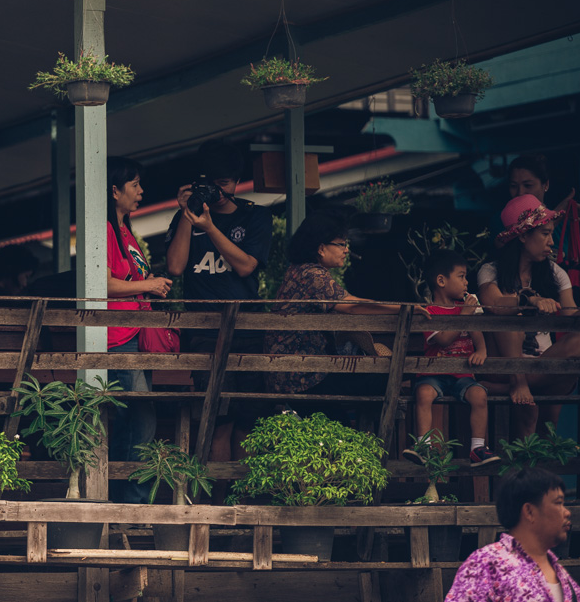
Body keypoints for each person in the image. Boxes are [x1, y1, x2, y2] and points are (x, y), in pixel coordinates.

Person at [164, 140, 271, 459]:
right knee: (216, 422)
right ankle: (217, 488)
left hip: (248, 330)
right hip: (204, 331)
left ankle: (242, 488)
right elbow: (175, 268)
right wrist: (188, 214)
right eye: (210, 184)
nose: (217, 191)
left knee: (248, 423)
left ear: (237, 182)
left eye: (223, 183)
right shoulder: (185, 218)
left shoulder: (255, 216)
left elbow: (246, 266)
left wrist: (210, 228)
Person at [267, 209, 423, 414]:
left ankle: (362, 426)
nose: (347, 250)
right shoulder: (313, 275)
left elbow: (350, 303)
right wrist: (406, 309)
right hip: (303, 376)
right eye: (341, 244)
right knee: (384, 377)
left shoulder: (299, 270)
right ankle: (372, 429)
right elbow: (353, 306)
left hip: (297, 371)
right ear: (321, 248)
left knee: (375, 380)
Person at [476, 195, 580, 437]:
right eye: (545, 234)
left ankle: (504, 388)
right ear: (523, 236)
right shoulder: (491, 271)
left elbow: (570, 315)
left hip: (543, 363)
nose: (551, 242)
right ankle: (517, 382)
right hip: (504, 365)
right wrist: (528, 299)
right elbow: (495, 304)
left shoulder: (555, 273)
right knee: (510, 316)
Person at [105, 156, 172, 504]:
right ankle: (131, 502)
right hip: (118, 337)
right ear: (115, 191)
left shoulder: (125, 230)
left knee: (132, 420)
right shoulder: (104, 229)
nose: (141, 191)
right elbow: (102, 283)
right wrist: (148, 284)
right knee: (139, 419)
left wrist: (148, 283)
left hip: (134, 334)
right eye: (135, 185)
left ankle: (125, 501)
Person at [402, 249, 499, 467]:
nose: (466, 283)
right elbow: (444, 340)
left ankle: (477, 448)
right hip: (433, 374)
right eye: (461, 276)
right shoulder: (429, 312)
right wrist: (464, 315)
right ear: (441, 281)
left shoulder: (466, 309)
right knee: (423, 393)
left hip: (462, 375)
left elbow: (475, 332)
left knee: (479, 395)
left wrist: (481, 350)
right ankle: (423, 445)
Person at [445, 467, 580, 602]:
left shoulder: (561, 573)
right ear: (529, 511)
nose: (567, 512)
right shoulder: (486, 564)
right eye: (558, 503)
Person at [508, 153, 580, 221]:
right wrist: (556, 216)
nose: (520, 193)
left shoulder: (563, 221)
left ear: (546, 185)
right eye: (513, 186)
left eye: (528, 185)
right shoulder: (503, 223)